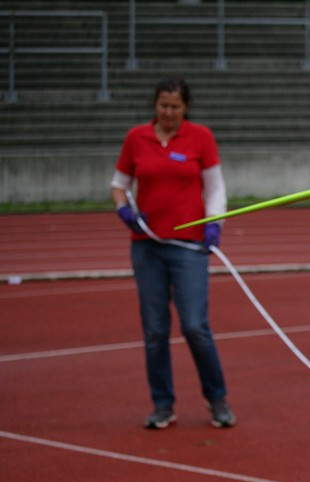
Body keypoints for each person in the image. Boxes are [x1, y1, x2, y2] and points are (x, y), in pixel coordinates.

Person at [110, 77, 235, 430]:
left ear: (185, 108)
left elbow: (215, 188)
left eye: (175, 106)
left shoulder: (201, 137)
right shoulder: (137, 138)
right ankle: (162, 404)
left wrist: (214, 224)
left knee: (195, 326)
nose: (168, 112)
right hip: (147, 247)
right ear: (155, 105)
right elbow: (119, 185)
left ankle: (217, 399)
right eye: (163, 105)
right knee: (154, 330)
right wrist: (125, 212)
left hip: (189, 248)